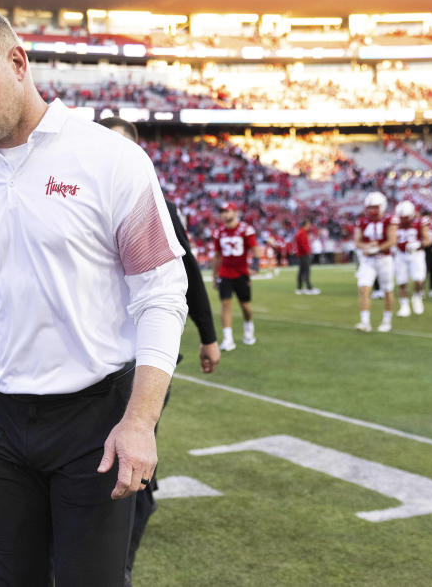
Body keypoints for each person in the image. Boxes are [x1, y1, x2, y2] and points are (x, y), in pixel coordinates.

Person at [0, 9, 188, 586]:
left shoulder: (110, 159)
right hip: (0, 421)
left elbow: (162, 292)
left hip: (93, 420)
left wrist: (140, 421)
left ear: (18, 62)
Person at [99, 116, 219, 583]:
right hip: (92, 359)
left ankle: (119, 563)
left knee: (127, 459)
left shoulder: (152, 201)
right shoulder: (74, 196)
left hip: (139, 359)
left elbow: (185, 276)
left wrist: (207, 335)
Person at [212, 201, 261, 350]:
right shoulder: (219, 232)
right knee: (225, 305)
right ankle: (228, 339)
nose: (224, 214)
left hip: (241, 273)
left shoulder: (246, 230)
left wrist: (256, 264)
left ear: (235, 212)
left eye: (227, 211)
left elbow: (254, 248)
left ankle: (249, 329)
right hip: (225, 273)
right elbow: (217, 255)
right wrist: (215, 275)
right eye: (222, 212)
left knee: (245, 306)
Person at [354, 192, 398, 332]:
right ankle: (365, 322)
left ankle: (387, 321)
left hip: (384, 259)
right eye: (369, 207)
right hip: (368, 260)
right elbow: (357, 242)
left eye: (374, 207)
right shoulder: (362, 221)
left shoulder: (389, 220)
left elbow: (392, 241)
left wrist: (377, 248)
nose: (371, 210)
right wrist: (366, 247)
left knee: (387, 290)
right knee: (363, 288)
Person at [392, 200, 431, 317]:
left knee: (419, 280)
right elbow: (392, 237)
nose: (403, 220)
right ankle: (404, 306)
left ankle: (417, 297)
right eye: (401, 217)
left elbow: (428, 240)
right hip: (400, 254)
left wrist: (419, 244)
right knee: (402, 281)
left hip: (416, 254)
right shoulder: (395, 222)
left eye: (405, 217)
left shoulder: (420, 222)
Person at [294, 219, 320, 295]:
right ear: (305, 224)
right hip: (304, 255)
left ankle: (299, 288)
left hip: (301, 254)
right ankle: (309, 288)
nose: (310, 226)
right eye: (308, 224)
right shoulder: (302, 233)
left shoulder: (300, 232)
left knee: (301, 271)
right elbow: (303, 244)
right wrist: (308, 251)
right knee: (306, 271)